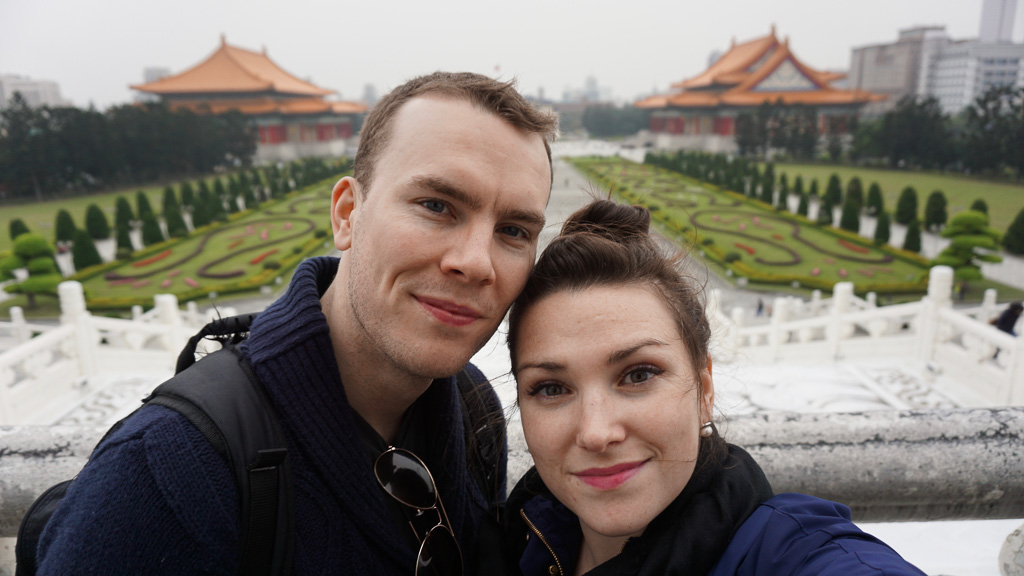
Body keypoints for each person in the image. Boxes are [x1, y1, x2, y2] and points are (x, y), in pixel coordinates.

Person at [36, 72, 558, 575]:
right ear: (347, 214)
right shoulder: (166, 470)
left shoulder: (474, 406)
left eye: (514, 231)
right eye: (436, 205)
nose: (477, 263)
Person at [502, 199, 926, 575]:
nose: (596, 433)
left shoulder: (789, 552)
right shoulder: (507, 539)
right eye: (551, 389)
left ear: (705, 389)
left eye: (639, 375)